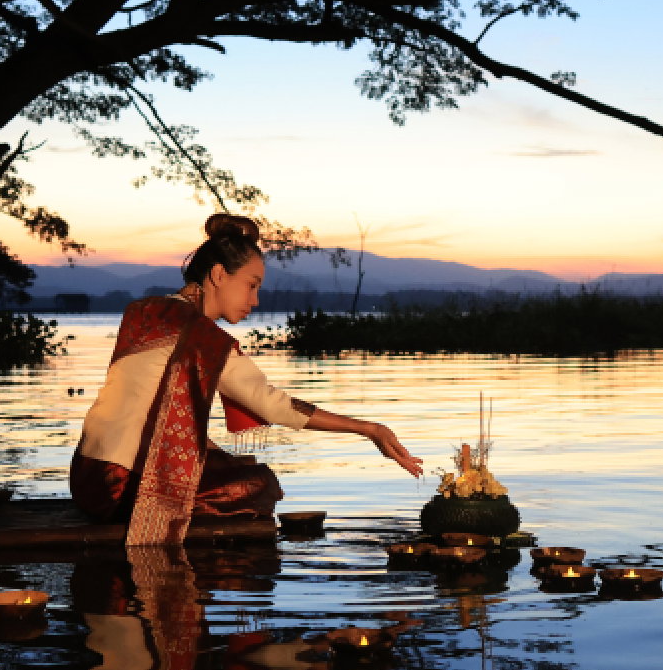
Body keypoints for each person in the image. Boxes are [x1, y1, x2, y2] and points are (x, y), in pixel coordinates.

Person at [70, 213, 422, 545]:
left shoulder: (144, 311)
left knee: (235, 463)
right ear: (219, 275)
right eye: (251, 286)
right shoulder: (204, 338)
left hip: (86, 476)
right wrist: (369, 429)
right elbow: (274, 405)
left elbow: (143, 409)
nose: (255, 300)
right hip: (123, 487)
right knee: (260, 484)